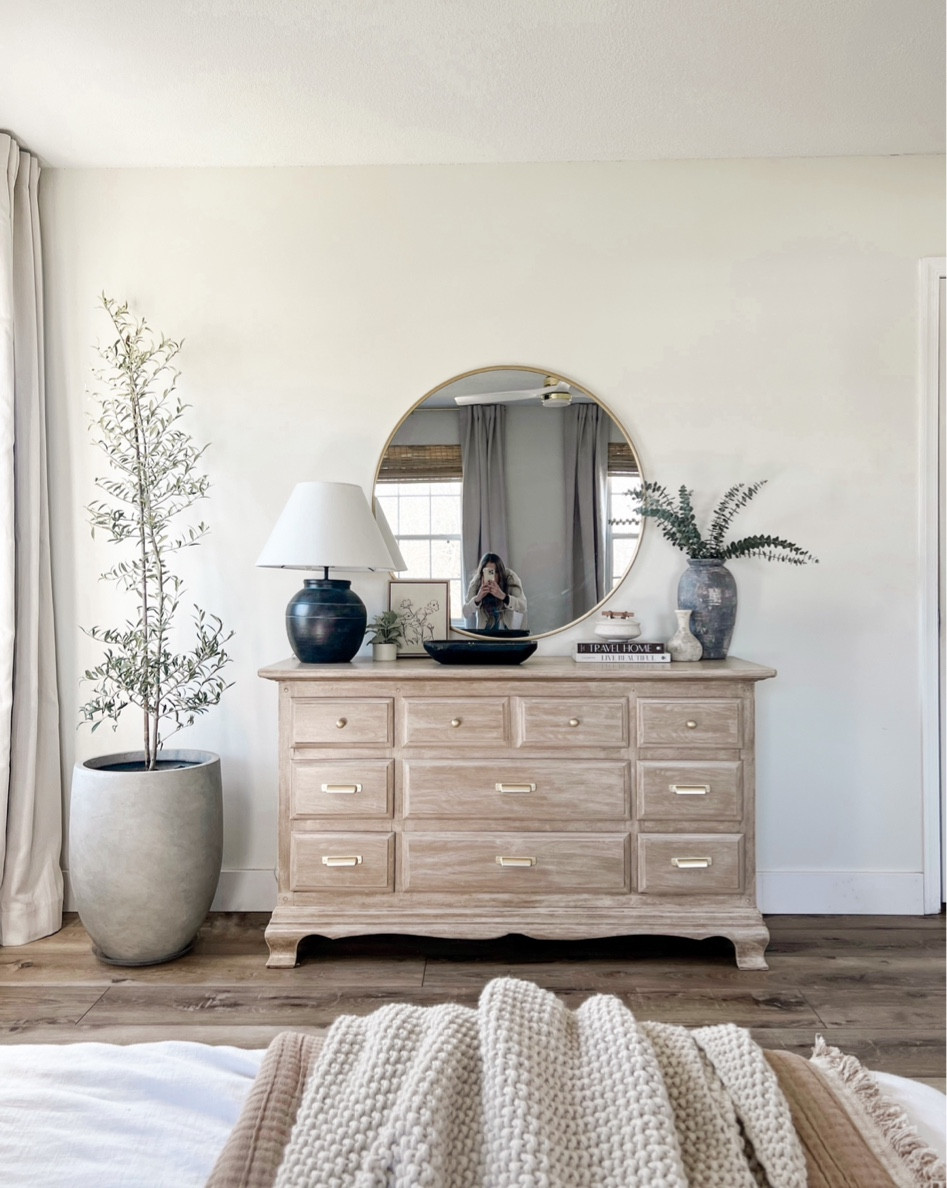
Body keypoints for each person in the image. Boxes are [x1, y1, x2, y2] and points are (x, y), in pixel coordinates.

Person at [461, 552, 528, 632]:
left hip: (506, 634)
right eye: (487, 572)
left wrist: (504, 597)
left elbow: (523, 607)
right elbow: (465, 613)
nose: (491, 576)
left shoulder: (510, 577)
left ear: (500, 572)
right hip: (484, 636)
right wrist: (477, 599)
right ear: (482, 573)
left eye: (494, 572)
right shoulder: (477, 582)